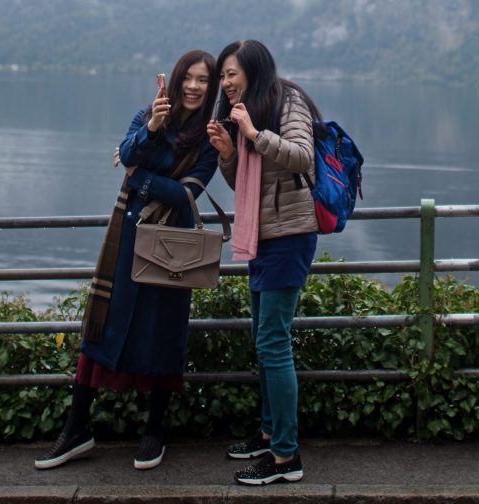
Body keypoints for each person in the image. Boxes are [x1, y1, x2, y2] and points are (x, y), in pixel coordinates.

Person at [35, 49, 220, 472]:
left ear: (210, 90)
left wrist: (139, 176)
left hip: (173, 244)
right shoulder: (147, 117)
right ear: (174, 80)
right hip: (128, 237)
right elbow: (128, 147)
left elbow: (185, 195)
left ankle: (155, 431)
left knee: (163, 331)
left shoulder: (211, 137)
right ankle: (76, 428)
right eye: (188, 78)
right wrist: (153, 128)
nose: (193, 86)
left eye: (203, 80)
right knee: (104, 326)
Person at [205, 39, 319, 486]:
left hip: (290, 235)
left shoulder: (286, 99)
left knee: (273, 339)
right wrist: (229, 153)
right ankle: (270, 432)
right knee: (263, 337)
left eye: (231, 74)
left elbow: (302, 157)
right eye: (222, 76)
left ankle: (286, 456)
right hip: (262, 234)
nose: (225, 83)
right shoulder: (243, 111)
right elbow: (242, 184)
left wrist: (252, 135)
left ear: (253, 70)